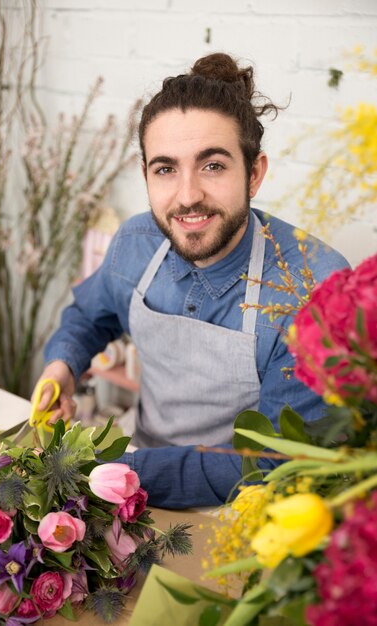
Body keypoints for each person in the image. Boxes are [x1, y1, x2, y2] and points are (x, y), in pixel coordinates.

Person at [36, 53, 349, 509]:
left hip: (248, 508)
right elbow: (89, 315)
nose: (187, 196)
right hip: (135, 476)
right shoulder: (136, 242)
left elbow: (269, 460)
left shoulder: (314, 288)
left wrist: (109, 473)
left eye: (213, 166)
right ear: (145, 175)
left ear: (254, 173)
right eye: (166, 169)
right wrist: (62, 365)